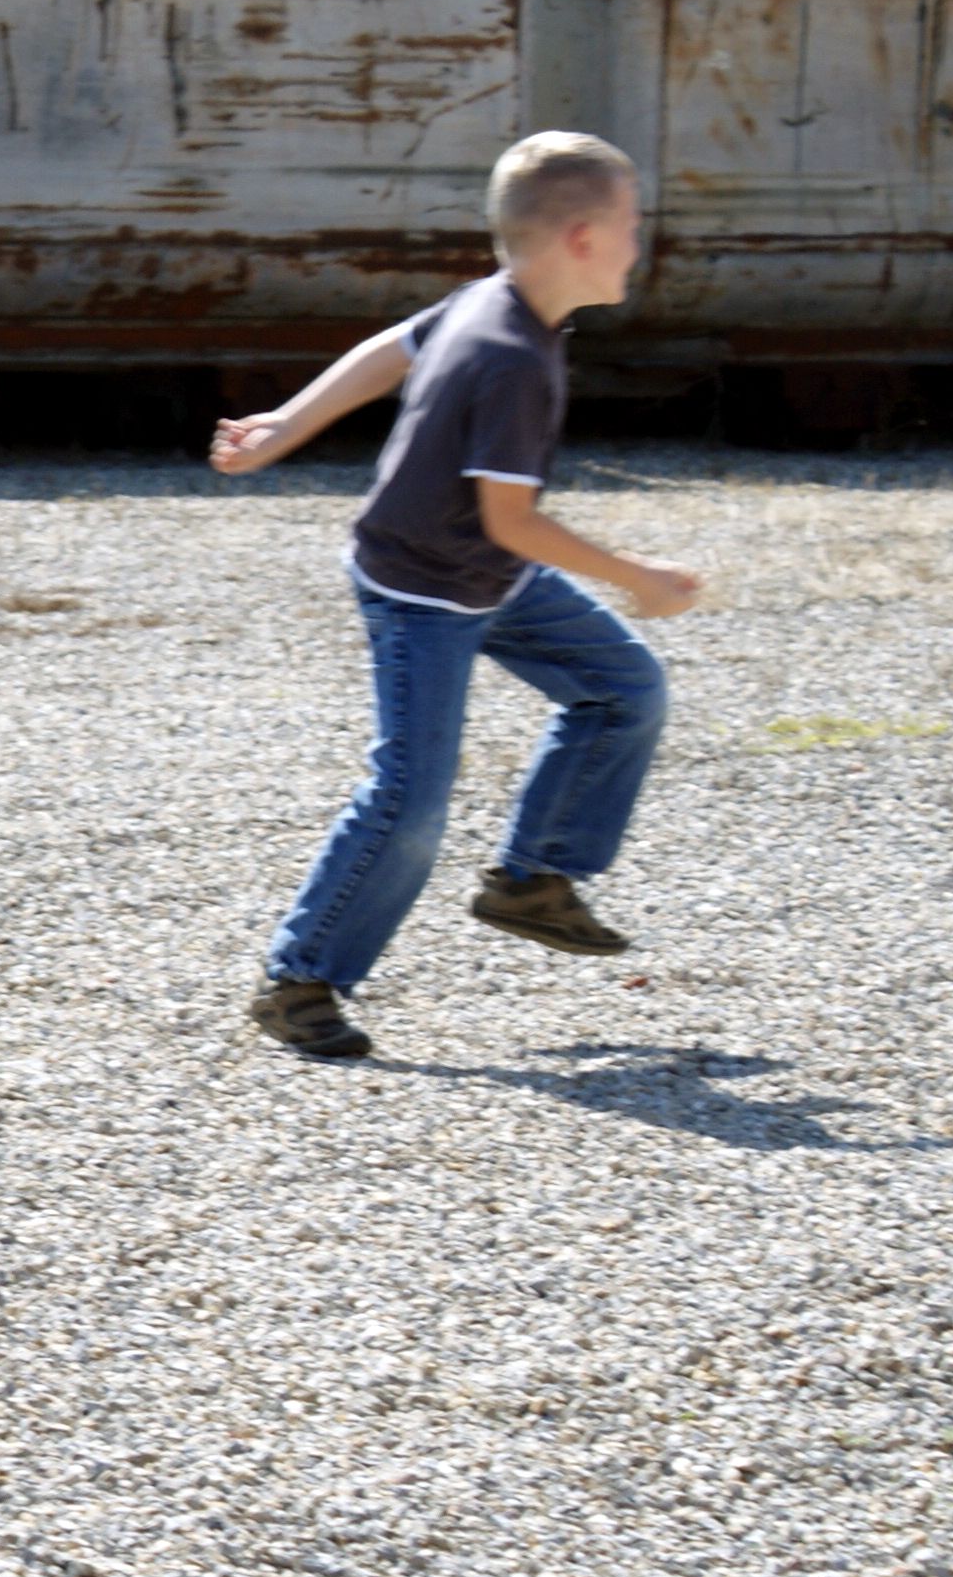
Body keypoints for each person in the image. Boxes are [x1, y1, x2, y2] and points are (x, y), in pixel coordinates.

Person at [211, 131, 702, 1060]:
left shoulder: (499, 303)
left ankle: (531, 880)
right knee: (412, 796)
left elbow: (391, 347)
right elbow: (512, 521)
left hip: (484, 574)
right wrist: (640, 576)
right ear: (584, 239)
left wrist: (284, 422)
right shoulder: (510, 354)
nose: (643, 244)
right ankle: (300, 979)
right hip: (423, 589)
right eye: (635, 226)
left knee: (625, 689)